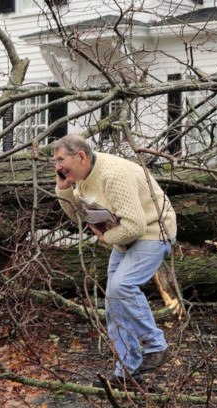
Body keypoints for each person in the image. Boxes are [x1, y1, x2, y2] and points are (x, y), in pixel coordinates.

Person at [53, 134, 176, 387]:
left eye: (61, 160)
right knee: (113, 303)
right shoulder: (84, 178)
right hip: (126, 237)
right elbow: (77, 216)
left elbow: (136, 226)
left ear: (81, 156)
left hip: (155, 232)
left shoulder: (112, 174)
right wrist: (62, 189)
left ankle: (156, 345)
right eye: (54, 161)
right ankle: (127, 376)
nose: (57, 167)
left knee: (122, 286)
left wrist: (106, 238)